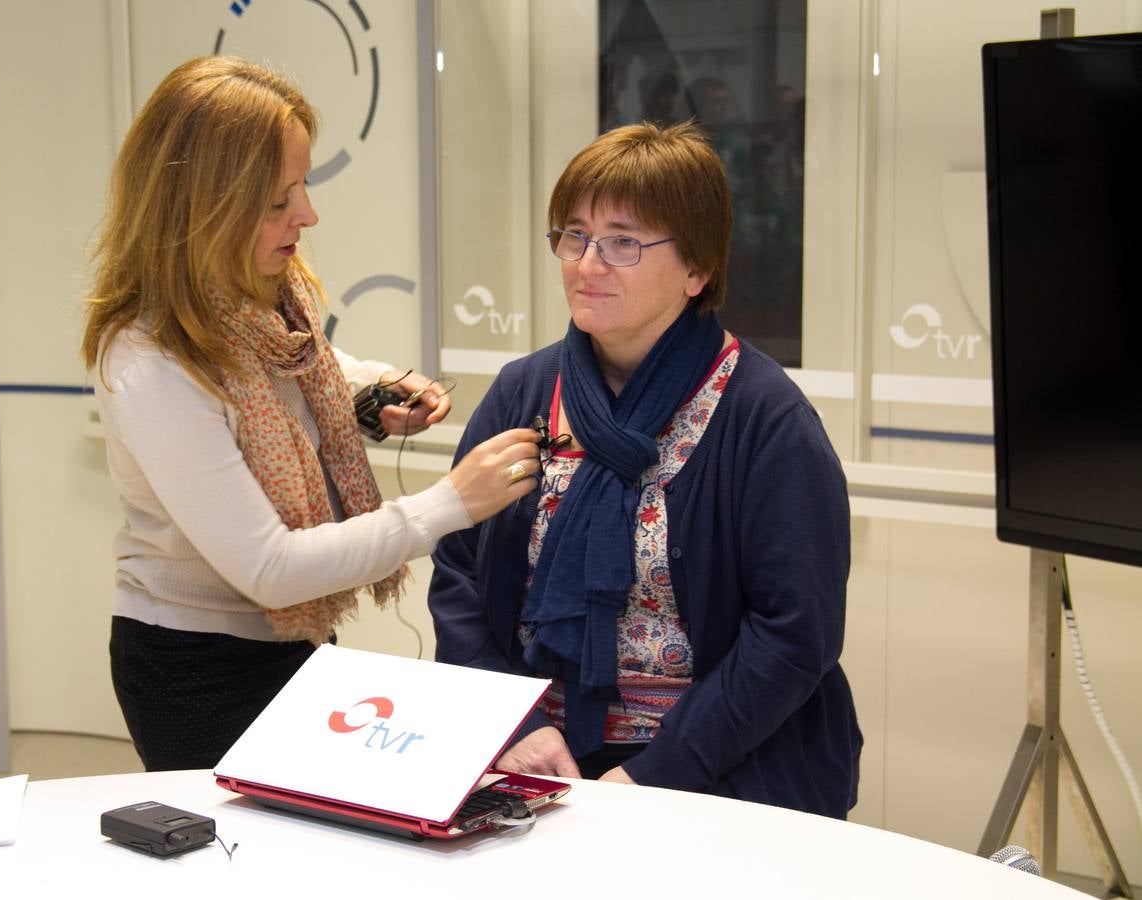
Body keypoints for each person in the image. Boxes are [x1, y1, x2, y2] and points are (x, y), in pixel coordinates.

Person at [80, 56, 541, 772]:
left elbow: (288, 380)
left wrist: (365, 388)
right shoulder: (148, 362)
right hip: (195, 669)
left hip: (292, 644)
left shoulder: (264, 292)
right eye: (277, 200)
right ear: (204, 208)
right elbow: (271, 567)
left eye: (302, 184)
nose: (308, 214)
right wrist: (447, 506)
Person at [428, 121, 862, 817]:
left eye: (623, 241)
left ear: (696, 269)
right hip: (541, 759)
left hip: (721, 767)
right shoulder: (524, 392)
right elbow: (459, 573)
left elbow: (794, 632)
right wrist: (516, 725)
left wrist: (657, 774)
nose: (587, 262)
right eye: (574, 235)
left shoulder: (764, 418)